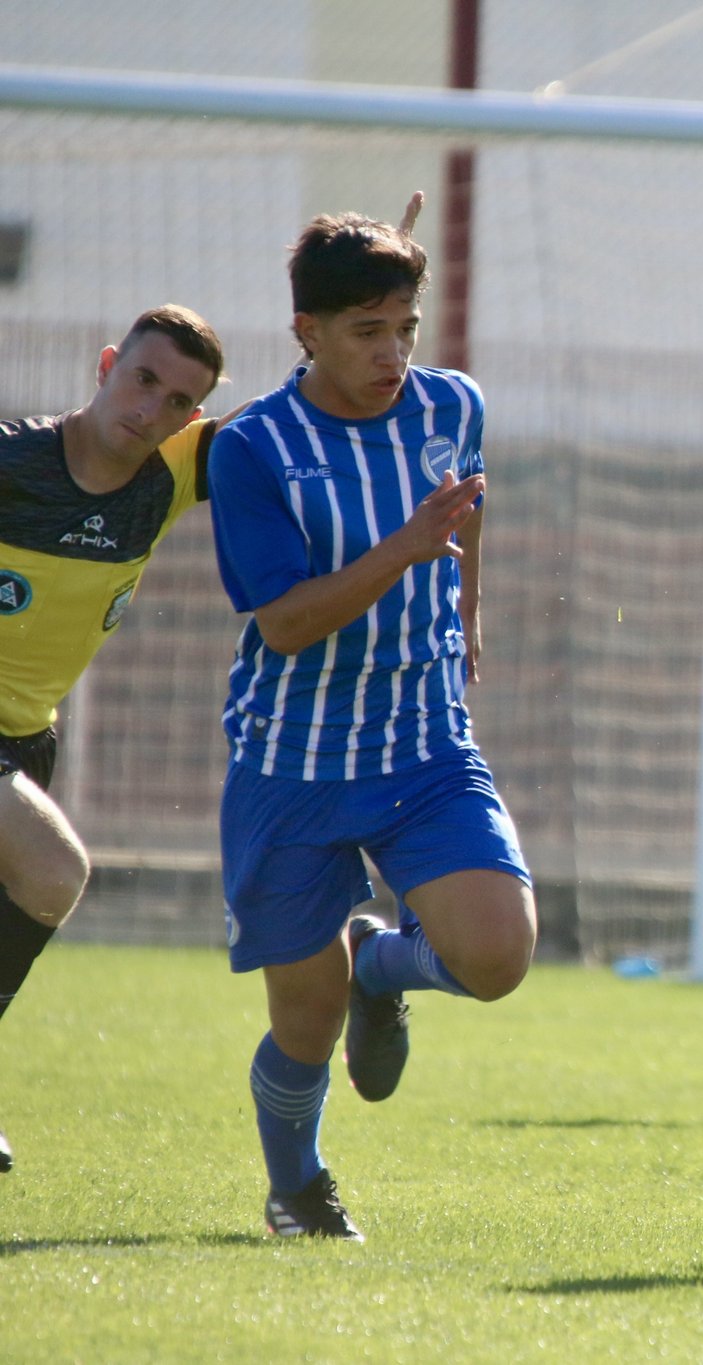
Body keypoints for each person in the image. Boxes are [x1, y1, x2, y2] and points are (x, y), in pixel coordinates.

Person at [207, 205, 535, 1240]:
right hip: (293, 759)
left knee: (497, 957)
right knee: (302, 1019)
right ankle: (297, 1185)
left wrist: (466, 609)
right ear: (305, 330)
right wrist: (407, 548)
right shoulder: (253, 447)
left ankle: (382, 968)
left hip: (422, 739)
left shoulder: (452, 406)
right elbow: (290, 623)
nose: (393, 353)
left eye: (404, 326)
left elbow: (465, 509)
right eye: (366, 332)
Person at [0, 305, 228, 1175]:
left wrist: (364, 307)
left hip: (29, 738)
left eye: (180, 401)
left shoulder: (170, 476)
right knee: (57, 870)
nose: (153, 409)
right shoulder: (14, 461)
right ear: (106, 365)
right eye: (143, 379)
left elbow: (302, 412)